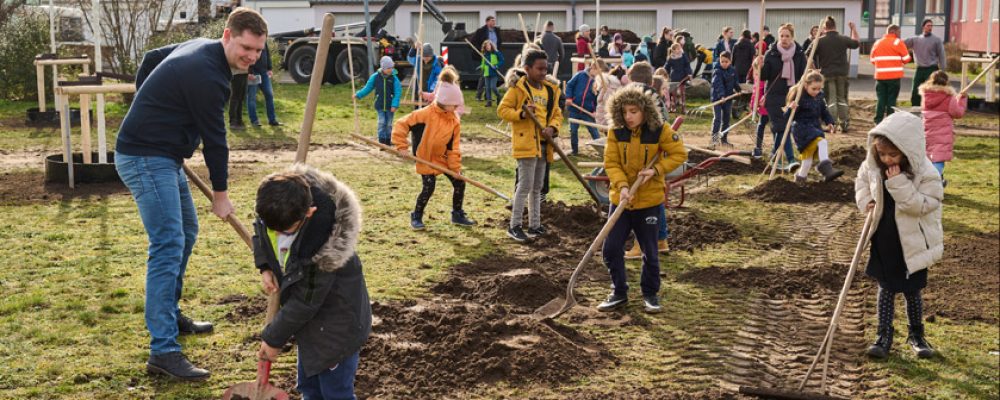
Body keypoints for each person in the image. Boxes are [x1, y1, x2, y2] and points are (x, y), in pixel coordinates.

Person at [115, 7, 266, 380]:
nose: (252, 57)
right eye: (246, 47)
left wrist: (153, 108)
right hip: (146, 157)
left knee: (187, 230)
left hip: (162, 154)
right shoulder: (209, 75)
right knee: (167, 243)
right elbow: (216, 141)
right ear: (228, 35)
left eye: (259, 51)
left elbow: (152, 59)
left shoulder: (203, 47)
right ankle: (163, 352)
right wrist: (221, 194)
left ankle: (170, 313)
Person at [252, 165, 372, 398]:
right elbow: (260, 231)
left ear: (309, 212)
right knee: (309, 387)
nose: (278, 235)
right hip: (310, 326)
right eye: (273, 228)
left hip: (337, 326)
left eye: (284, 231)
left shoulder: (324, 250)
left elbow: (306, 301)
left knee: (334, 392)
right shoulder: (278, 202)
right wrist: (265, 266)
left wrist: (273, 339)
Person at [855, 112, 943, 360]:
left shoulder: (924, 172)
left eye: (892, 155)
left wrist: (898, 184)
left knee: (911, 289)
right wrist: (866, 200)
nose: (886, 159)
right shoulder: (873, 166)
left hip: (913, 241)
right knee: (885, 287)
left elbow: (923, 205)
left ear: (907, 150)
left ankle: (916, 335)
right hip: (885, 237)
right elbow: (861, 181)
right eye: (882, 154)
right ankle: (883, 335)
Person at [597, 83, 686, 314]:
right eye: (625, 112)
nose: (629, 117)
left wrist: (656, 171)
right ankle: (618, 291)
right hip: (622, 199)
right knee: (611, 248)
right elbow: (612, 163)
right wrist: (623, 186)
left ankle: (650, 294)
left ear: (645, 110)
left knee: (650, 250)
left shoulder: (660, 130)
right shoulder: (616, 132)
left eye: (634, 112)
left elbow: (679, 154)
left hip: (649, 201)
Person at [392, 67, 476, 230]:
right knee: (429, 187)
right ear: (445, 103)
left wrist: (455, 168)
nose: (457, 108)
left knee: (460, 182)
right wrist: (401, 146)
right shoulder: (424, 114)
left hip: (442, 158)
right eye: (455, 105)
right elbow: (401, 124)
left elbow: (453, 147)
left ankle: (457, 214)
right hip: (424, 158)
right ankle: (416, 215)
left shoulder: (454, 120)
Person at [498, 49, 562, 242]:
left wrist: (552, 128)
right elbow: (502, 110)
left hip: (545, 144)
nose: (543, 73)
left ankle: (535, 225)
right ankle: (515, 225)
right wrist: (522, 114)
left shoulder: (550, 90)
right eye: (539, 69)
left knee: (537, 187)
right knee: (524, 185)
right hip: (526, 143)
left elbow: (557, 114)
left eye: (545, 69)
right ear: (527, 68)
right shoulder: (518, 89)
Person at [760, 23, 804, 170]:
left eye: (787, 36)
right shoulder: (771, 53)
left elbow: (802, 75)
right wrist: (759, 66)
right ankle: (791, 159)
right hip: (773, 96)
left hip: (791, 96)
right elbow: (764, 76)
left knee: (781, 128)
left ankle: (775, 158)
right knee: (782, 127)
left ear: (792, 37)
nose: (784, 39)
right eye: (782, 36)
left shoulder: (798, 54)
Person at [787, 71, 844, 182]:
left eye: (819, 89)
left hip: (814, 127)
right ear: (805, 85)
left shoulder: (819, 96)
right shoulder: (799, 97)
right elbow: (789, 117)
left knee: (807, 161)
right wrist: (791, 108)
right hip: (802, 129)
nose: (817, 91)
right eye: (814, 89)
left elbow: (824, 111)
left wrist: (829, 122)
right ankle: (827, 170)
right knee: (822, 142)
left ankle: (800, 180)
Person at [811, 16, 860, 132]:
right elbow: (856, 43)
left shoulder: (819, 41)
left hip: (827, 74)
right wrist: (853, 29)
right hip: (842, 73)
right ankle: (844, 124)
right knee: (842, 99)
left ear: (824, 27)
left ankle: (831, 124)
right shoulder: (843, 39)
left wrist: (815, 69)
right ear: (835, 26)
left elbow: (808, 55)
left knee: (830, 100)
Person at [919, 70, 967, 185]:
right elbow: (958, 113)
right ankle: (935, 181)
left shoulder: (926, 95)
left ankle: (928, 179)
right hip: (942, 134)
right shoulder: (949, 98)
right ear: (946, 82)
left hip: (927, 131)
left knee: (928, 156)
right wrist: (962, 99)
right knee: (938, 158)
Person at [355, 56, 402, 145]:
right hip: (380, 104)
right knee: (381, 122)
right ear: (383, 68)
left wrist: (395, 105)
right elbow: (368, 88)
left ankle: (387, 141)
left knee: (388, 124)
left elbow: (398, 92)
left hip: (390, 106)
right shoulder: (375, 77)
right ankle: (381, 141)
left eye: (392, 67)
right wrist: (358, 94)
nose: (390, 70)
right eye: (388, 68)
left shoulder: (394, 79)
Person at [870, 24, 911, 123]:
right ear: (894, 32)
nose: (900, 34)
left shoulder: (877, 43)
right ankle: (890, 121)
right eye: (899, 32)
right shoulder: (898, 42)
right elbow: (907, 59)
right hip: (894, 77)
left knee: (881, 99)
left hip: (880, 76)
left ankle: (878, 121)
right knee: (891, 99)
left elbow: (872, 59)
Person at [904, 19, 946, 107]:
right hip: (919, 69)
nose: (930, 27)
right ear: (923, 27)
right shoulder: (915, 40)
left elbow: (941, 55)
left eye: (931, 26)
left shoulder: (936, 40)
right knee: (915, 90)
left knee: (930, 91)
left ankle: (930, 109)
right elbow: (901, 44)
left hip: (932, 69)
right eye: (928, 26)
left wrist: (942, 70)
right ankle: (915, 108)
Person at [565, 59, 603, 155]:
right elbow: (569, 85)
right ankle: (574, 151)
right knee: (573, 130)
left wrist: (595, 110)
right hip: (575, 109)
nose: (599, 74)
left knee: (593, 130)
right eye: (598, 71)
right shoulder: (580, 75)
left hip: (588, 110)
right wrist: (569, 98)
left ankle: (602, 151)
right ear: (593, 68)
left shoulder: (597, 81)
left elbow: (597, 97)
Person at [246, 41, 282, 127]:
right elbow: (246, 55)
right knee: (251, 97)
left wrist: (269, 68)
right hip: (253, 72)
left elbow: (267, 54)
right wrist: (249, 72)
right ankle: (254, 121)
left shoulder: (263, 40)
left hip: (264, 72)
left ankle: (272, 120)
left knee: (269, 94)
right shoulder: (250, 39)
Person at [711, 51, 738, 147]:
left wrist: (738, 90)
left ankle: (724, 140)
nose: (724, 63)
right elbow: (718, 85)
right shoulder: (717, 71)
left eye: (726, 61)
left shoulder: (733, 71)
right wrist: (721, 95)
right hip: (717, 99)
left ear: (730, 61)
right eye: (722, 61)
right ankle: (714, 140)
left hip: (728, 99)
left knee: (726, 120)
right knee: (717, 119)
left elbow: (735, 82)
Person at [472, 16, 502, 101]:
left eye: (494, 21)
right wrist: (481, 51)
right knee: (484, 76)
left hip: (494, 55)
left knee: (491, 74)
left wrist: (497, 51)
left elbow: (499, 41)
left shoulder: (497, 31)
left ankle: (487, 96)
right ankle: (478, 96)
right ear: (487, 22)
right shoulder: (481, 31)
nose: (494, 22)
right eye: (492, 21)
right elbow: (473, 41)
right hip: (486, 55)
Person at [750, 57, 770, 159]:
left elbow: (757, 94)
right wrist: (752, 105)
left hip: (766, 107)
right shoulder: (758, 79)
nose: (756, 73)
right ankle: (758, 147)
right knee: (762, 126)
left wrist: (754, 105)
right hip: (763, 108)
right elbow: (755, 94)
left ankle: (758, 147)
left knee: (762, 126)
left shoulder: (762, 80)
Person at [477, 40, 504, 107]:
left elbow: (502, 60)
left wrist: (496, 65)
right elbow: (483, 62)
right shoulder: (485, 54)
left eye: (489, 45)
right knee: (487, 88)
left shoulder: (496, 53)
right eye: (486, 46)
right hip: (486, 72)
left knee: (493, 87)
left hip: (494, 73)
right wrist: (481, 67)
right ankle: (489, 102)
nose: (487, 47)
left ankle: (499, 97)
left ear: (491, 45)